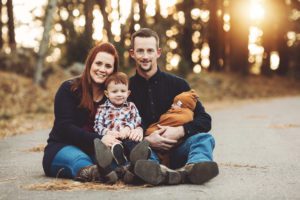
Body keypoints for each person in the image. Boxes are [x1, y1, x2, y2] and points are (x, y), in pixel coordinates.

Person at [42, 42, 148, 184]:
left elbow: (135, 114)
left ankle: (141, 173)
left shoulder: (114, 95)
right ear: (90, 64)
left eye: (108, 66)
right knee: (80, 160)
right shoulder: (69, 89)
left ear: (113, 71)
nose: (102, 69)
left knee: (116, 162)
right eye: (98, 63)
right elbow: (64, 127)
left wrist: (139, 128)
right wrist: (99, 139)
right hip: (63, 147)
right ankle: (101, 174)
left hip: (97, 153)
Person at [128, 28, 219, 185]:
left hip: (178, 149)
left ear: (158, 52)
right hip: (149, 151)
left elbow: (205, 120)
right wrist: (147, 140)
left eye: (150, 50)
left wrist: (180, 131)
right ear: (132, 53)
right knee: (139, 151)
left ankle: (196, 167)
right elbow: (119, 126)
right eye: (140, 51)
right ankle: (155, 171)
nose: (145, 56)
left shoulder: (178, 84)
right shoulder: (126, 89)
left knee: (204, 139)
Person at [94, 72, 144, 166]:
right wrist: (107, 132)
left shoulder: (131, 106)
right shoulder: (102, 108)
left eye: (122, 91)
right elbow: (97, 125)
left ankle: (141, 154)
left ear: (128, 93)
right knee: (113, 146)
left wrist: (128, 128)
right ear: (107, 93)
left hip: (127, 137)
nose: (119, 94)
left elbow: (137, 119)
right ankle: (119, 156)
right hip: (112, 139)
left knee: (133, 144)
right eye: (114, 91)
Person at [145, 89, 199, 167]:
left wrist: (181, 130)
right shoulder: (177, 112)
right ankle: (152, 168)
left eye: (175, 104)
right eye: (173, 103)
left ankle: (197, 164)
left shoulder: (185, 115)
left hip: (175, 147)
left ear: (183, 106)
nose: (172, 105)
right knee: (148, 151)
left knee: (205, 138)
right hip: (155, 144)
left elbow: (168, 120)